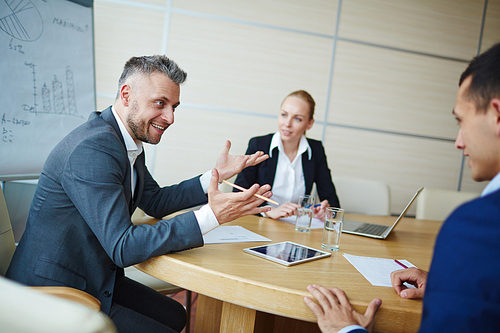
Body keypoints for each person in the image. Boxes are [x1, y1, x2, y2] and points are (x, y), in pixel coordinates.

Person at [6, 55, 274, 333]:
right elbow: (123, 247)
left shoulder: (126, 140)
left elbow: (155, 200)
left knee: (176, 315)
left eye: (174, 107)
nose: (170, 118)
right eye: (160, 103)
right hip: (53, 290)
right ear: (126, 94)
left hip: (94, 274)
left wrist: (213, 177)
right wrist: (210, 216)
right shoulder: (95, 148)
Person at [303, 42, 500, 332]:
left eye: (461, 121)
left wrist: (348, 330)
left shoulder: (477, 230)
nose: (458, 141)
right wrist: (451, 285)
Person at [234, 90, 340, 221]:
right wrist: (268, 211)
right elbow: (238, 195)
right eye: (284, 115)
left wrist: (325, 210)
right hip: (261, 222)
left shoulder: (316, 150)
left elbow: (333, 203)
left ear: (309, 123)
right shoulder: (259, 145)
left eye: (297, 119)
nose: (287, 124)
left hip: (297, 226)